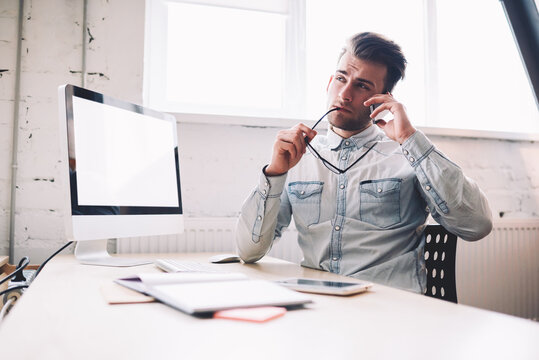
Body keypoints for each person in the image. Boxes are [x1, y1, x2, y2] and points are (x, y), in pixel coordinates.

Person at [235, 32, 492, 293]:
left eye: (362, 86)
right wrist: (275, 173)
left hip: (392, 310)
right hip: (321, 307)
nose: (345, 94)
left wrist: (409, 138)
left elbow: (477, 226)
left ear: (383, 99)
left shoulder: (407, 154)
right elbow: (248, 251)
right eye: (340, 78)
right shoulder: (299, 158)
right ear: (328, 83)